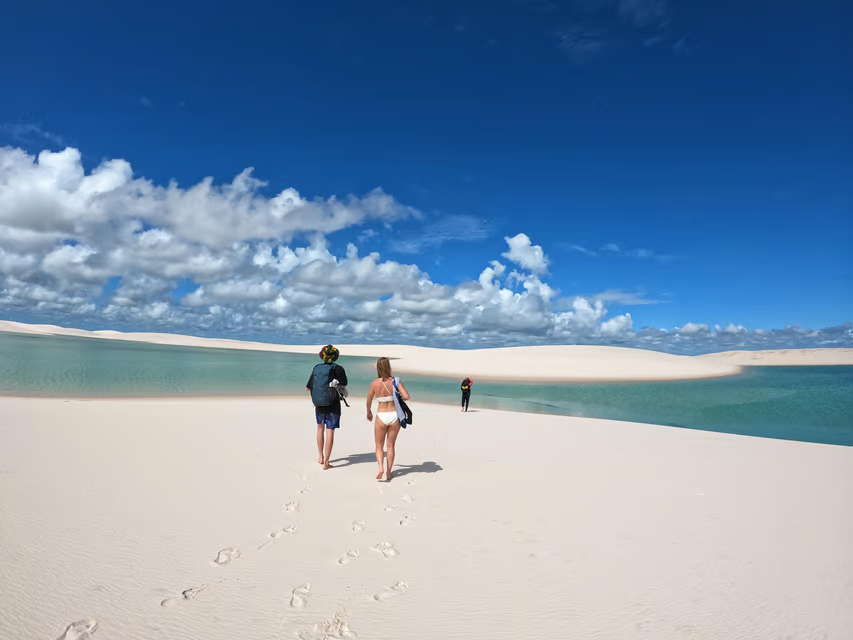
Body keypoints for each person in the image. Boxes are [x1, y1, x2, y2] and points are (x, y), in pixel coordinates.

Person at [366, 357, 410, 482]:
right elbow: (407, 396)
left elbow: (369, 400)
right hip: (394, 415)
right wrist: (397, 397)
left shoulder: (374, 383)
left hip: (381, 415)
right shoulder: (395, 381)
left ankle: (381, 468)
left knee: (379, 445)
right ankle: (389, 472)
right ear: (388, 367)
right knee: (390, 446)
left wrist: (368, 411)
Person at [306, 344, 348, 470]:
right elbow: (345, 383)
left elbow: (308, 387)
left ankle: (320, 457)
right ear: (335, 356)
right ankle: (326, 462)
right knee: (330, 431)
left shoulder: (317, 368)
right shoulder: (338, 368)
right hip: (333, 403)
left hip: (319, 403)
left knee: (320, 429)